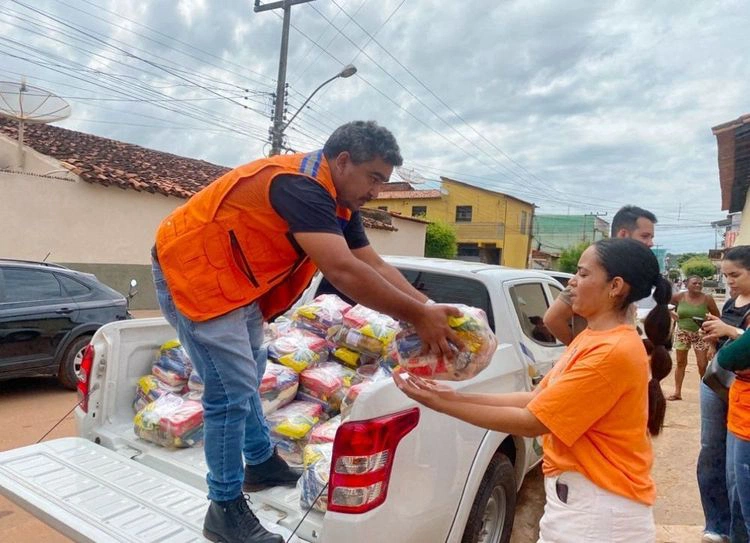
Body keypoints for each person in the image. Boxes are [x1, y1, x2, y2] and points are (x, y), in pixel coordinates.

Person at [151, 121, 461, 543]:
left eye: (383, 183)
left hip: (236, 282)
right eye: (373, 178)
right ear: (344, 161)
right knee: (229, 392)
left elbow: (374, 264)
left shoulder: (340, 202)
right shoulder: (299, 186)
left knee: (253, 368)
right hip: (194, 272)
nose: (377, 191)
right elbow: (342, 269)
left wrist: (425, 309)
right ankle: (223, 510)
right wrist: (418, 316)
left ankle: (260, 463)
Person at [395, 238, 673, 542]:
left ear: (615, 286)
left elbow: (533, 422)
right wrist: (456, 397)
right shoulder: (593, 338)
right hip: (582, 504)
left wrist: (441, 403)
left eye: (582, 274)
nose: (572, 283)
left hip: (599, 512)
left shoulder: (611, 351)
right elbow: (536, 399)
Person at [543, 205, 657, 345]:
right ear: (623, 234)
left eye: (651, 237)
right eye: (645, 236)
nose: (651, 243)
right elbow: (552, 318)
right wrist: (578, 349)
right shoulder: (599, 274)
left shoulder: (627, 274)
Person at [698, 246, 750, 543]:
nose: (729, 281)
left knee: (736, 464)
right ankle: (715, 523)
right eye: (725, 275)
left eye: (735, 275)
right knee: (711, 451)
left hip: (740, 384)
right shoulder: (732, 300)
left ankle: (735, 530)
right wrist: (714, 337)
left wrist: (729, 332)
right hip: (716, 380)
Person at [667, 275, 720, 400]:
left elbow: (717, 317)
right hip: (682, 332)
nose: (698, 285)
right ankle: (677, 392)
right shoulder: (679, 296)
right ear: (687, 284)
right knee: (680, 363)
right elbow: (664, 305)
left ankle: (705, 393)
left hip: (701, 334)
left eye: (700, 284)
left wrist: (713, 340)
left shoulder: (707, 299)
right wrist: (671, 313)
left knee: (702, 364)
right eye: (695, 283)